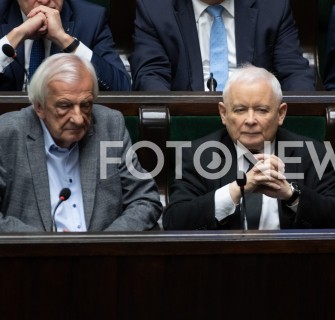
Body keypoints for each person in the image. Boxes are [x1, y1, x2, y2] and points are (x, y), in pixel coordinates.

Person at [163, 65, 335, 230]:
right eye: (240, 110)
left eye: (262, 110)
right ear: (223, 113)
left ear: (280, 113)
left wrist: (291, 194)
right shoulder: (198, 155)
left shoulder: (310, 153)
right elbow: (174, 221)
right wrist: (236, 191)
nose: (251, 120)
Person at [0, 53, 162, 232]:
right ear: (39, 107)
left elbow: (145, 199)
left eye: (85, 105)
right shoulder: (8, 133)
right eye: (65, 106)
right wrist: (46, 246)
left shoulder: (110, 125)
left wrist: (99, 246)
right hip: (32, 258)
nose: (78, 119)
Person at [129, 0, 316, 92]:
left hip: (256, 120)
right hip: (189, 118)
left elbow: (295, 73)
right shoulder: (156, 9)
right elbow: (150, 77)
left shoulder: (272, 7)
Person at [0, 0, 131, 91]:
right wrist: (16, 36)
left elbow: (122, 88)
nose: (45, 1)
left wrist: (65, 40)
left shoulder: (91, 18)